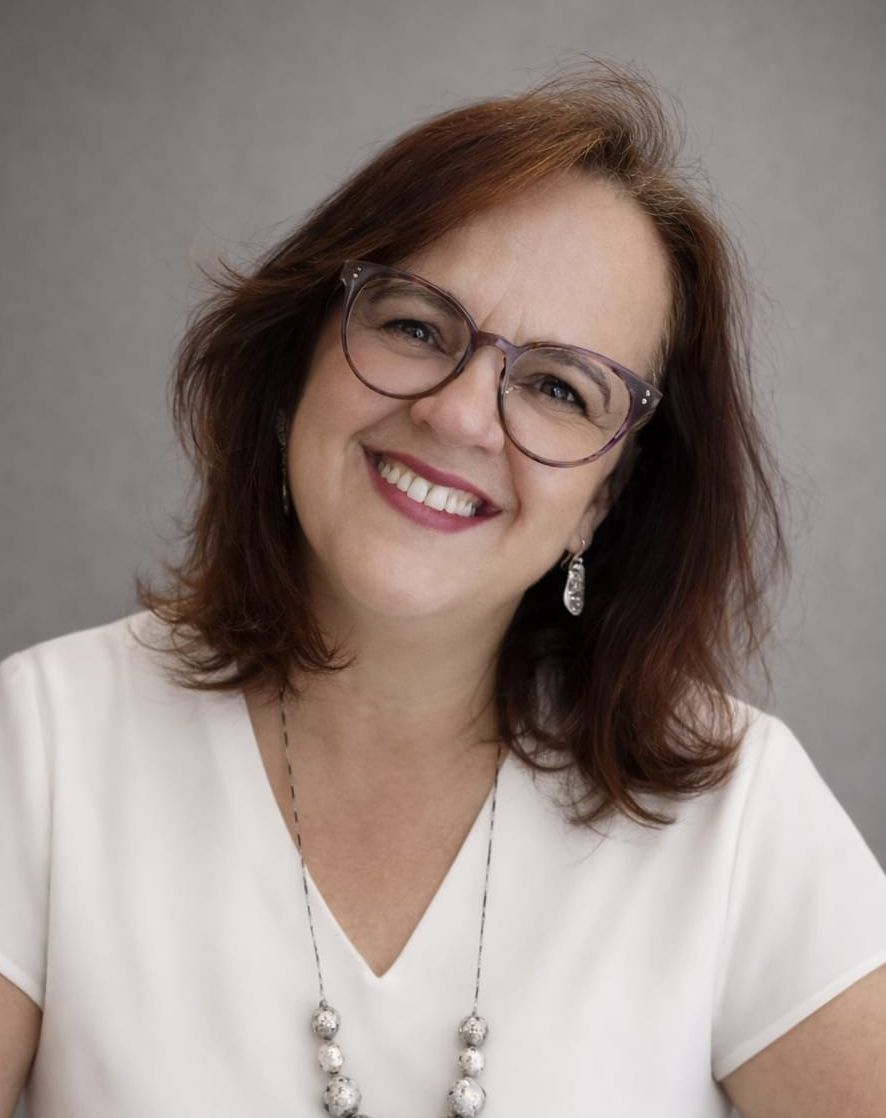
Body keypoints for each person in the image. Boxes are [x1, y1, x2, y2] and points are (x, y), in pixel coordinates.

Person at [1, 64, 885, 1118]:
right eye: (417, 326)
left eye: (558, 388)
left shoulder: (735, 816)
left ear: (606, 498)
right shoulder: (43, 744)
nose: (460, 415)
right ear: (298, 361)